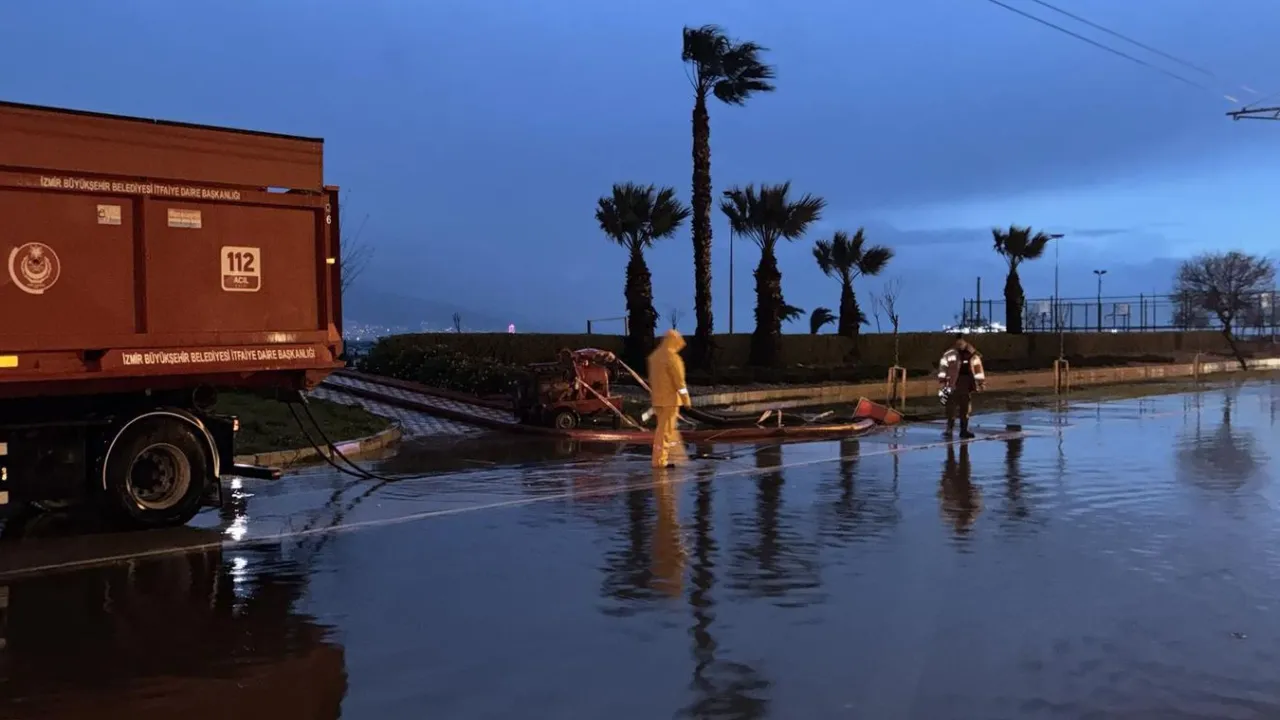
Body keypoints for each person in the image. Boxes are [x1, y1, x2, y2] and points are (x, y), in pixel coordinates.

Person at [647, 329, 692, 468]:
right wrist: (686, 399)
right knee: (665, 432)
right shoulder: (672, 358)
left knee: (661, 431)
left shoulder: (654, 357)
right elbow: (679, 382)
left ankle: (661, 458)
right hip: (670, 401)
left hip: (657, 400)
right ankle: (660, 461)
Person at [937, 332, 986, 439]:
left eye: (961, 342)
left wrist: (981, 383)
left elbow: (978, 370)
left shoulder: (973, 354)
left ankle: (964, 430)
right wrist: (942, 382)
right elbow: (943, 368)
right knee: (951, 407)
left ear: (965, 342)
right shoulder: (949, 354)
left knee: (965, 408)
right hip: (952, 384)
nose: (959, 344)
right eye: (958, 342)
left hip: (966, 383)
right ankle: (949, 429)